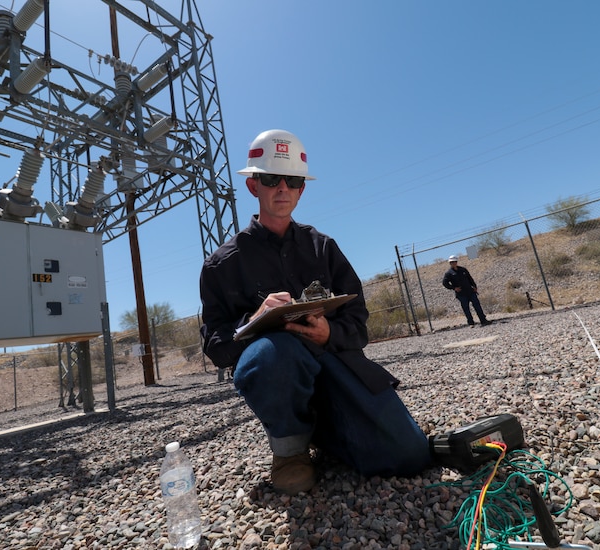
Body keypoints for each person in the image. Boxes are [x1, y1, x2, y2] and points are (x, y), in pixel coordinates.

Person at [200, 129, 440, 495]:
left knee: (408, 455)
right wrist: (253, 321)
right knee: (272, 353)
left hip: (334, 364)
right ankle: (290, 450)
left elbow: (358, 321)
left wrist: (330, 333)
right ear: (254, 187)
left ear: (301, 189)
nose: (282, 188)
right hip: (278, 375)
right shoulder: (221, 266)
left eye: (292, 180)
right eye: (270, 179)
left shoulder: (323, 248)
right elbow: (216, 346)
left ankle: (325, 431)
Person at [442, 255, 491, 327]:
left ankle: (483, 320)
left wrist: (474, 286)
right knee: (466, 308)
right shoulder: (449, 273)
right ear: (450, 263)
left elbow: (470, 278)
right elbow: (445, 283)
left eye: (454, 262)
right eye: (451, 262)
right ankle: (471, 323)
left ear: (456, 262)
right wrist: (454, 288)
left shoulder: (463, 270)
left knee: (477, 306)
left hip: (470, 291)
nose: (453, 263)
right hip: (461, 294)